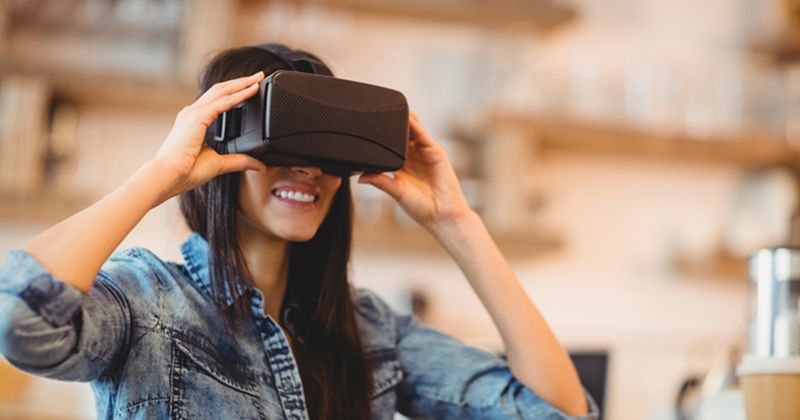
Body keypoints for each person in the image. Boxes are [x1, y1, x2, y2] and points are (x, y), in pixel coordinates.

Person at [0, 45, 598, 420]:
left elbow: (556, 411)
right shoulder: (146, 302)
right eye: (285, 142)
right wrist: (161, 176)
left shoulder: (369, 332)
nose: (307, 169)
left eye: (322, 148)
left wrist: (457, 224)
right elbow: (20, 321)